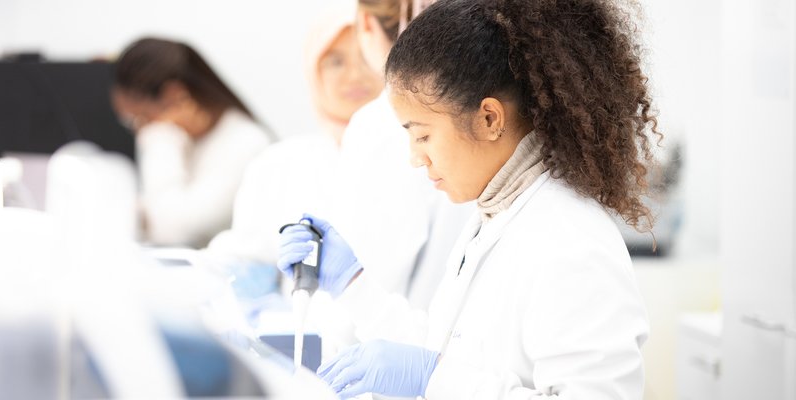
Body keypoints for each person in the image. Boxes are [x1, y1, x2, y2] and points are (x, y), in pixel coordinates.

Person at [278, 0, 658, 398]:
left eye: (423, 135)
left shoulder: (571, 242)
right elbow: (449, 352)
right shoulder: (494, 216)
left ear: (489, 119)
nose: (414, 157)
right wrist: (352, 283)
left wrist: (431, 380)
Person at [208, 0, 384, 267]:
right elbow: (244, 256)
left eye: (366, 57)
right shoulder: (276, 164)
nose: (355, 75)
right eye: (336, 62)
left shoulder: (424, 161)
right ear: (313, 70)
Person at [328, 0, 472, 309]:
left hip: (403, 335)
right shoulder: (482, 100)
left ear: (365, 22)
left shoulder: (377, 123)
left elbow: (374, 270)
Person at [112, 37, 272, 248]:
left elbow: (172, 232)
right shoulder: (189, 140)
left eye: (138, 119)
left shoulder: (247, 144)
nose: (141, 132)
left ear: (174, 95)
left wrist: (161, 137)